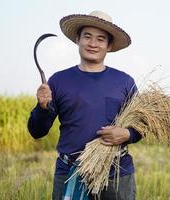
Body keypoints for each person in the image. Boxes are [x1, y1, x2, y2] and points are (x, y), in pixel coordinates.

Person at [27, 10, 142, 200]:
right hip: (69, 173)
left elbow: (142, 126)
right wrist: (42, 107)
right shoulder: (58, 81)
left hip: (116, 175)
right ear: (78, 40)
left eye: (100, 39)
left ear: (109, 45)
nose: (93, 44)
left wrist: (127, 134)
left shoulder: (124, 82)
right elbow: (37, 131)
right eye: (87, 36)